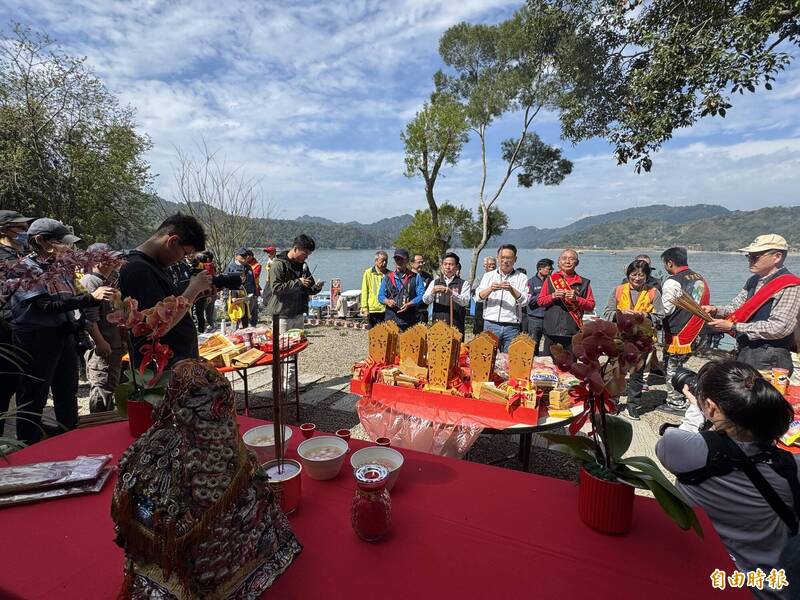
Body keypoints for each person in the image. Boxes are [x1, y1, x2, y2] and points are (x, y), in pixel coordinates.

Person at [655, 361, 798, 582]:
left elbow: (680, 440)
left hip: (694, 576)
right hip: (768, 586)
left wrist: (695, 410)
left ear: (710, 407)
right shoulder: (791, 466)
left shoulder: (680, 447)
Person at [9, 219, 116, 444]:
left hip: (63, 334)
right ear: (40, 240)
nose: (66, 248)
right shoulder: (24, 268)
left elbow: (69, 300)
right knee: (34, 396)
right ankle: (29, 444)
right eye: (61, 242)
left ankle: (70, 439)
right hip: (36, 339)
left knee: (67, 390)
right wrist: (90, 298)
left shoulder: (60, 268)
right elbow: (45, 306)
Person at [119, 213, 212, 369]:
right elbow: (157, 328)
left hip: (176, 365)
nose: (182, 259)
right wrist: (194, 288)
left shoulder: (155, 266)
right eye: (185, 253)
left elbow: (170, 310)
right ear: (172, 241)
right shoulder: (138, 269)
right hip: (162, 369)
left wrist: (195, 293)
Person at [702, 235, 800, 376]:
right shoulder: (754, 280)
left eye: (755, 256)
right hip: (746, 350)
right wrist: (715, 310)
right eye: (749, 256)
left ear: (777, 257)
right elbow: (735, 306)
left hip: (770, 357)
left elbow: (780, 327)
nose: (750, 260)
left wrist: (734, 327)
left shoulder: (789, 286)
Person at [603, 260, 665, 420]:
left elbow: (661, 315)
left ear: (647, 276)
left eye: (641, 275)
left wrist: (645, 315)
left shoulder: (653, 293)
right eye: (634, 275)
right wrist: (621, 313)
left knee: (637, 373)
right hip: (620, 337)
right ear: (628, 274)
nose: (637, 278)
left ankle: (633, 405)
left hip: (642, 339)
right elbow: (607, 312)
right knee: (617, 370)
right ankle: (613, 402)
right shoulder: (618, 290)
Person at [263, 234, 323, 392]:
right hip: (281, 313)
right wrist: (297, 282)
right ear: (295, 249)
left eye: (308, 255)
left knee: (294, 350)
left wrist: (315, 288)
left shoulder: (303, 265)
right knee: (281, 351)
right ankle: (279, 385)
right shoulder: (278, 264)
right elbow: (276, 288)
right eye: (305, 254)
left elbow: (308, 286)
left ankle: (292, 382)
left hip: (298, 311)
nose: (306, 257)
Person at [660, 246, 709, 415]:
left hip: (680, 334)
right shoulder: (699, 277)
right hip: (699, 331)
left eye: (665, 264)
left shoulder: (673, 281)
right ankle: (689, 395)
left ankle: (676, 402)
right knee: (681, 366)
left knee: (672, 368)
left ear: (670, 262)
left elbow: (665, 310)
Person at [80, 243, 125, 413]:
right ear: (97, 261)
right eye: (109, 258)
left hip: (115, 344)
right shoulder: (89, 282)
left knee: (111, 386)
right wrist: (100, 342)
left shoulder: (109, 282)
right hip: (103, 347)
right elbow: (89, 318)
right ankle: (96, 426)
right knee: (102, 389)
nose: (114, 261)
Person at [0, 210, 34, 431]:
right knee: (3, 387)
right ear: (4, 229)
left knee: (16, 383)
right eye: (19, 228)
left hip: (25, 327)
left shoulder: (24, 256)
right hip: (6, 327)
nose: (24, 232)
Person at [538, 249, 595, 355]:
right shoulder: (550, 280)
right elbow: (540, 302)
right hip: (551, 332)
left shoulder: (584, 283)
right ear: (559, 262)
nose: (567, 261)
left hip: (572, 333)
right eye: (564, 258)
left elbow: (591, 305)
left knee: (570, 367)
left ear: (577, 263)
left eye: (571, 259)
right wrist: (553, 296)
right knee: (547, 366)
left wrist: (576, 299)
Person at [474, 244, 530, 352]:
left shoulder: (521, 277)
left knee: (509, 359)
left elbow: (525, 301)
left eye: (508, 258)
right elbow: (478, 297)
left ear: (515, 259)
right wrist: (490, 289)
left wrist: (511, 289)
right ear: (497, 258)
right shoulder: (488, 276)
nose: (505, 261)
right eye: (502, 257)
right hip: (490, 324)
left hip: (512, 326)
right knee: (487, 356)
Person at [423, 252, 471, 335]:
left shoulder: (464, 283)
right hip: (437, 326)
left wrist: (452, 293)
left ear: (456, 267)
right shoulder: (434, 282)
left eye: (451, 264)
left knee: (456, 348)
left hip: (456, 326)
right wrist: (432, 292)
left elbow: (465, 301)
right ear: (442, 267)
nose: (448, 267)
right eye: (445, 264)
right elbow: (425, 300)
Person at [378, 248, 425, 331]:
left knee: (409, 344)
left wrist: (410, 303)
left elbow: (421, 296)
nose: (398, 261)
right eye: (396, 259)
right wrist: (387, 302)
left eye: (401, 259)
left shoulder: (416, 277)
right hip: (391, 320)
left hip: (410, 320)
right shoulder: (387, 277)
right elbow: (381, 296)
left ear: (407, 261)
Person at [225, 247, 258, 327]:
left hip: (250, 297)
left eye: (246, 255)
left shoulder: (248, 266)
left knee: (249, 319)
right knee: (237, 319)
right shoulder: (231, 267)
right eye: (242, 255)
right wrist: (226, 296)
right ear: (236, 256)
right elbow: (225, 282)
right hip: (237, 298)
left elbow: (253, 281)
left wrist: (255, 293)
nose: (245, 257)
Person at [526, 258, 554, 355]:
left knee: (550, 345)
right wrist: (543, 296)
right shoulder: (531, 282)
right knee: (533, 345)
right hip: (535, 319)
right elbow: (528, 300)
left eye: (551, 269)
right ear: (540, 269)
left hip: (549, 318)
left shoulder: (553, 282)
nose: (551, 271)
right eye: (548, 269)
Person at [360, 251, 388, 327]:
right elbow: (365, 291)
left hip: (387, 309)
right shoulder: (368, 273)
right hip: (373, 309)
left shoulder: (390, 274)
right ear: (376, 261)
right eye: (382, 261)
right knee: (374, 334)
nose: (384, 263)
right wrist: (365, 309)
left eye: (386, 261)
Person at [192, 251, 217, 332]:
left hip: (205, 293)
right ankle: (210, 327)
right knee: (209, 312)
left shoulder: (206, 267)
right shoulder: (212, 266)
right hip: (212, 292)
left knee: (200, 312)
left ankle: (204, 329)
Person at [472, 256, 497, 335]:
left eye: (493, 265)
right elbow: (473, 291)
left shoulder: (498, 278)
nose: (492, 267)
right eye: (489, 265)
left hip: (494, 306)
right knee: (479, 330)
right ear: (484, 266)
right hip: (481, 306)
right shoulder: (480, 278)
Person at [412, 254, 433, 325]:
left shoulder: (428, 277)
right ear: (412, 263)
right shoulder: (407, 276)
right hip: (409, 311)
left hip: (422, 312)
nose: (421, 264)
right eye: (419, 262)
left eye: (422, 262)